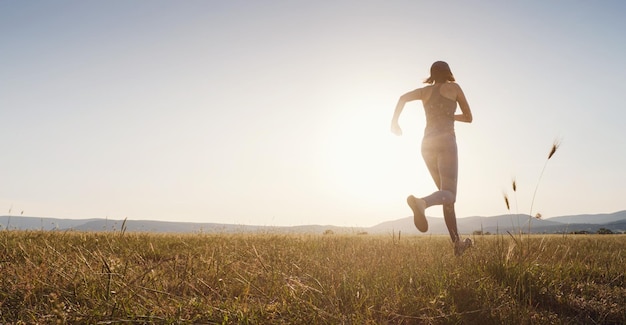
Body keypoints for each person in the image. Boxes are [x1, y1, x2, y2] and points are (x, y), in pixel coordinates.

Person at [390, 61, 474, 256]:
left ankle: (457, 245)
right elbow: (469, 117)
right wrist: (452, 116)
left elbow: (402, 98)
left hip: (427, 145)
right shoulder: (454, 87)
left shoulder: (424, 92)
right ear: (449, 73)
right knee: (449, 194)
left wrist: (394, 123)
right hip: (446, 143)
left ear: (432, 75)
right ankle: (422, 203)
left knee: (446, 198)